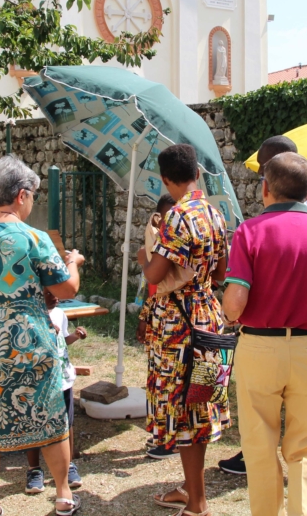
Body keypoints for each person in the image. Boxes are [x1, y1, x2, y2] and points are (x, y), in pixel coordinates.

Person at [0, 155, 85, 516]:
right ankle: (63, 495)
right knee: (49, 418)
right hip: (29, 347)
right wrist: (73, 263)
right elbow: (67, 289)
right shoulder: (35, 239)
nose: (32, 201)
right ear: (22, 195)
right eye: (33, 195)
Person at [223, 152, 307, 516]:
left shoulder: (250, 231)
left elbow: (236, 301)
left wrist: (229, 313)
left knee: (259, 444)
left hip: (261, 347)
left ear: (265, 188)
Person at [140, 144, 229, 516]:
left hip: (179, 327)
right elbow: (221, 273)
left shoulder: (175, 217)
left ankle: (197, 503)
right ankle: (194, 493)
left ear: (165, 179)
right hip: (208, 319)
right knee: (200, 403)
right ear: (197, 173)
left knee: (182, 410)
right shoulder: (215, 214)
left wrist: (144, 256)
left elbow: (154, 276)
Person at [26, 290, 88, 495]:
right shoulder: (27, 316)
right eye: (49, 293)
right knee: (35, 423)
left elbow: (62, 340)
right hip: (37, 380)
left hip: (62, 378)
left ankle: (68, 465)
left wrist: (75, 336)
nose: (56, 297)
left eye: (57, 293)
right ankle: (34, 469)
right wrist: (43, 332)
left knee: (67, 423)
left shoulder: (60, 313)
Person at [136, 193, 180, 460]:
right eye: (164, 218)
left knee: (169, 382)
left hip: (174, 323)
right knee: (157, 379)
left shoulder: (174, 247)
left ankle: (170, 439)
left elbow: (156, 278)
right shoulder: (156, 245)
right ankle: (159, 433)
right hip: (157, 320)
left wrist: (144, 260)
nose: (168, 223)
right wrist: (144, 317)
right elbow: (152, 290)